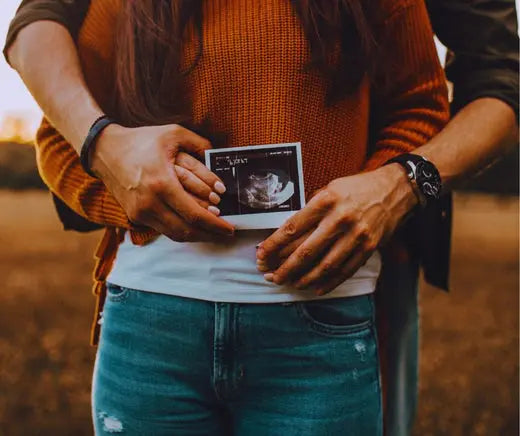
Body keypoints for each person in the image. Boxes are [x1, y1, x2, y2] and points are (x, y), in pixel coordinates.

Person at [4, 0, 449, 434]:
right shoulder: (121, 8)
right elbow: (61, 139)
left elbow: (421, 107)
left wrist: (381, 191)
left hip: (321, 324)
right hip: (150, 329)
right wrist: (136, 200)